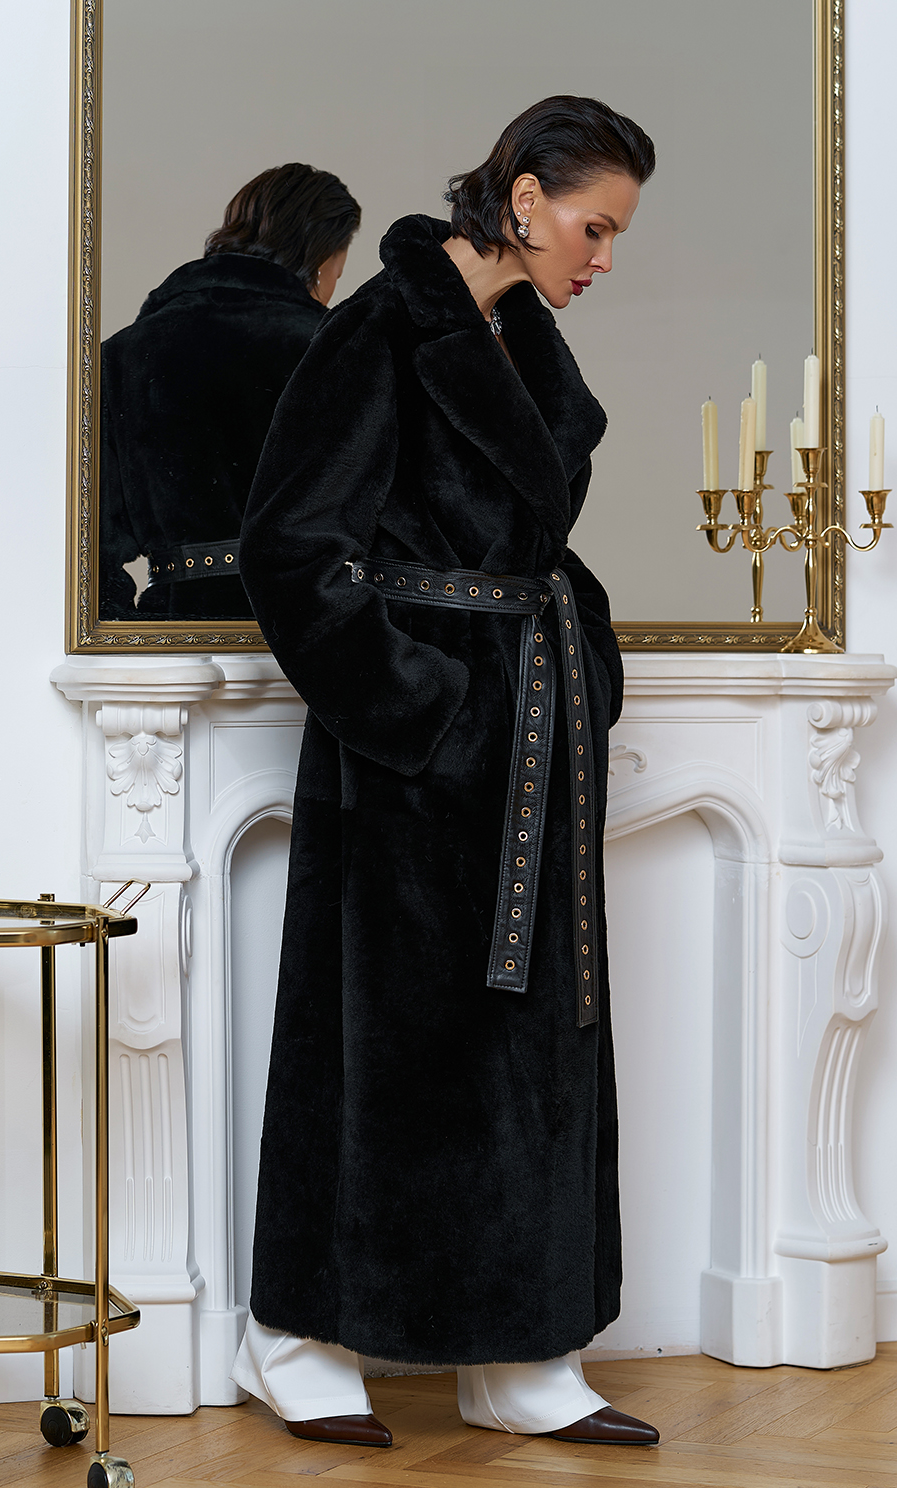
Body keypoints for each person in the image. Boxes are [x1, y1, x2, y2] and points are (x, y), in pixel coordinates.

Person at [233, 97, 659, 1449]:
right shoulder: (379, 330)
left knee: (525, 1054)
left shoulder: (513, 340)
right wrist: (422, 710)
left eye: (617, 237)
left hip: (528, 742)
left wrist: (574, 662)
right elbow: (287, 548)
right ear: (523, 198)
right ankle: (292, 1334)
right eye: (594, 228)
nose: (603, 259)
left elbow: (526, 544)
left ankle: (515, 1351)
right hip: (412, 764)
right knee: (380, 1053)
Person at [98, 163, 360, 621]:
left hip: (176, 642)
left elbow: (89, 542)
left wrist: (126, 636)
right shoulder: (334, 348)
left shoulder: (123, 354)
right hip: (314, 632)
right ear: (324, 259)